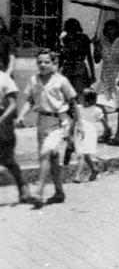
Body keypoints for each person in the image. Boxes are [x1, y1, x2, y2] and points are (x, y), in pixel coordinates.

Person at [17, 49, 78, 207]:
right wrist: (21, 115)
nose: (43, 65)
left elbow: (73, 102)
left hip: (59, 121)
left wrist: (79, 124)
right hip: (42, 121)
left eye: (47, 62)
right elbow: (30, 101)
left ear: (54, 64)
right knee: (52, 158)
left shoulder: (61, 81)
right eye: (40, 62)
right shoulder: (33, 80)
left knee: (45, 153)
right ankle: (59, 192)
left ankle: (39, 190)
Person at [92, 19, 119, 145]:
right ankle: (107, 129)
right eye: (107, 28)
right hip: (105, 76)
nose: (110, 31)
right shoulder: (102, 42)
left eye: (112, 28)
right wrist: (95, 47)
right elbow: (97, 60)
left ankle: (118, 134)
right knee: (98, 103)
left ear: (117, 29)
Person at [0, 63, 32, 204]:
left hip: (3, 121)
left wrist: (1, 119)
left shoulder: (4, 79)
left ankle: (22, 185)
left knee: (7, 159)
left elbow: (13, 104)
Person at [58, 18, 94, 100]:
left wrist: (92, 73)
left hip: (78, 69)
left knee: (79, 94)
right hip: (69, 69)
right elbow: (62, 56)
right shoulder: (65, 39)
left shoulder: (83, 38)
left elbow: (89, 56)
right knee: (67, 94)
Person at [71, 89, 102, 183]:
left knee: (82, 154)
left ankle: (77, 175)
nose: (79, 99)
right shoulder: (78, 108)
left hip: (89, 133)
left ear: (89, 100)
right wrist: (70, 132)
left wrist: (107, 128)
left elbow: (102, 119)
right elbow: (74, 120)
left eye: (82, 98)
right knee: (85, 154)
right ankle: (94, 169)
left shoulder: (96, 110)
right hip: (80, 132)